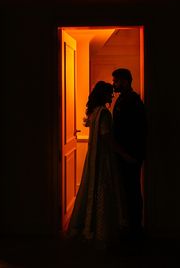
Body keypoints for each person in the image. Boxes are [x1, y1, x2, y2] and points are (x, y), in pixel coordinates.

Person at [67, 81, 127, 247]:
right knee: (104, 187)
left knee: (91, 187)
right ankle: (103, 230)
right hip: (104, 156)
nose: (112, 95)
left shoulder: (94, 112)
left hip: (93, 155)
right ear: (103, 94)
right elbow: (107, 138)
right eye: (109, 93)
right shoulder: (104, 113)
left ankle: (90, 225)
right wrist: (123, 153)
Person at [111, 68, 146, 239]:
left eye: (116, 81)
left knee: (132, 190)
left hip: (130, 154)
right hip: (123, 153)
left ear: (125, 81)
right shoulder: (122, 100)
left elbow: (137, 130)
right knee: (127, 189)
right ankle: (130, 224)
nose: (114, 84)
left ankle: (135, 227)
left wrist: (130, 154)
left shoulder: (134, 101)